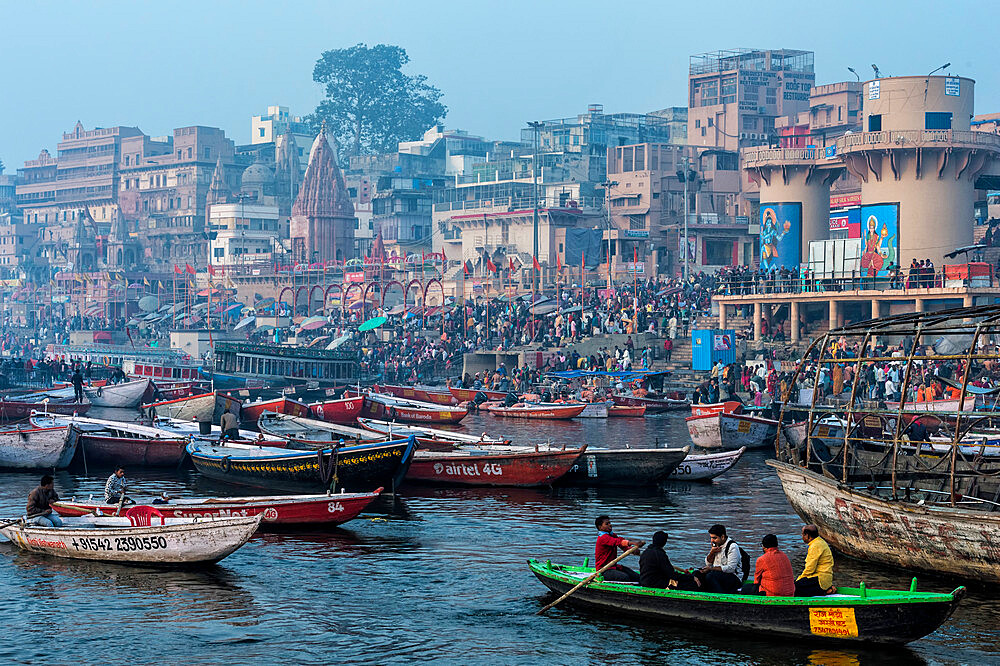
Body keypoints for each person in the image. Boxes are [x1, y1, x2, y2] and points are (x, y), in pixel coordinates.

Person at [594, 515, 644, 582]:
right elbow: (617, 542)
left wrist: (632, 550)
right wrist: (634, 543)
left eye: (610, 523)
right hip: (603, 570)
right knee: (624, 577)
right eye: (607, 524)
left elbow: (622, 545)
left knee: (636, 577)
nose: (610, 525)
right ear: (600, 527)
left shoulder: (612, 535)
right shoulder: (603, 538)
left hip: (614, 567)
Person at [699, 524, 744, 593]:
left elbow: (730, 569)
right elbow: (708, 563)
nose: (712, 540)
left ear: (722, 537)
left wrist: (711, 568)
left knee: (710, 576)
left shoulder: (732, 547)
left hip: (733, 578)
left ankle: (720, 598)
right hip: (717, 574)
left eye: (714, 538)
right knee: (697, 574)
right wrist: (712, 552)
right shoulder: (715, 545)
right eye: (711, 538)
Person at [795, 524, 836, 596]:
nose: (802, 537)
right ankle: (827, 589)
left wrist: (799, 579)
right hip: (826, 579)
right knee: (796, 583)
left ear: (807, 535)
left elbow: (810, 569)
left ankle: (824, 591)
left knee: (794, 588)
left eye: (803, 535)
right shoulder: (820, 542)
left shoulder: (815, 546)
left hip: (820, 579)